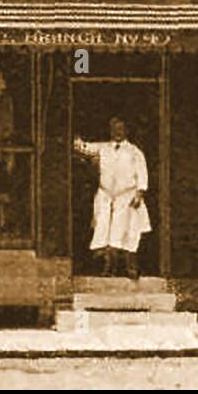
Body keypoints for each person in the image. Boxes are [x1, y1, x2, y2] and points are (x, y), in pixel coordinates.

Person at [75, 117, 151, 279]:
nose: (117, 132)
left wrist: (139, 193)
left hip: (127, 197)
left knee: (126, 233)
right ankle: (109, 269)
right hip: (106, 196)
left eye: (121, 129)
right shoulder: (103, 148)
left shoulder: (134, 152)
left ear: (126, 131)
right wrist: (74, 135)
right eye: (114, 129)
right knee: (104, 233)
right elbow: (82, 147)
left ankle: (131, 269)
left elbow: (142, 174)